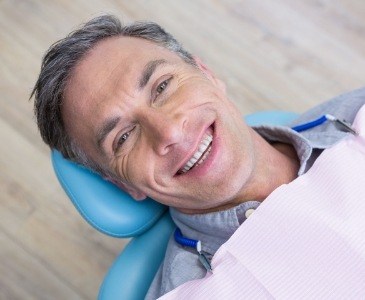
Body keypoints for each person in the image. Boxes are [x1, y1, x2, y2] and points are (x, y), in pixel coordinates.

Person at [31, 14, 365, 299]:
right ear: (122, 184)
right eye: (124, 137)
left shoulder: (356, 116)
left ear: (206, 73)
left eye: (162, 87)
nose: (171, 133)